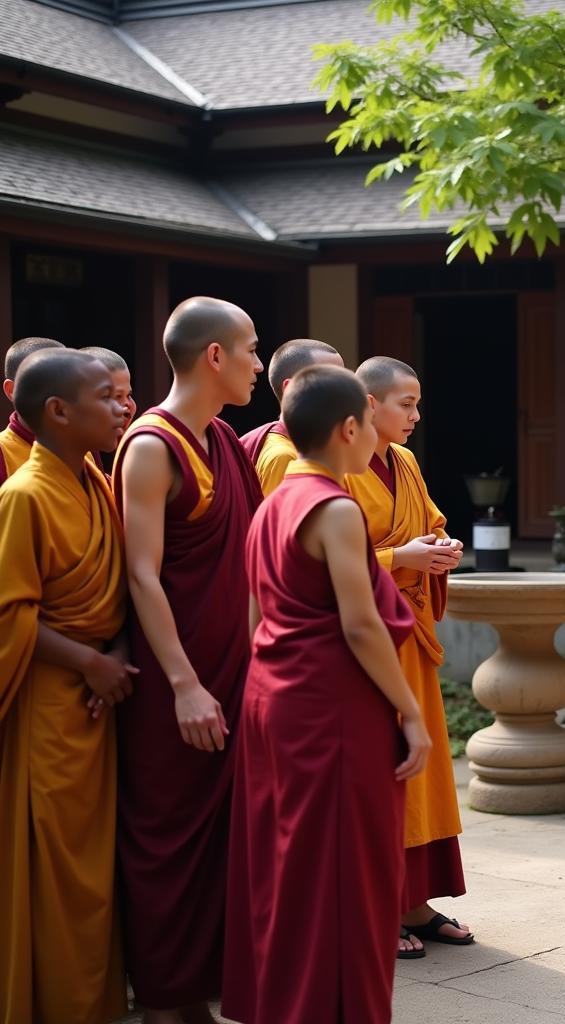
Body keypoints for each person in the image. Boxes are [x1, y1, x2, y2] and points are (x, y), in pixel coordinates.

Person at [222, 364, 431, 1024]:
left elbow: (256, 616)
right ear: (350, 428)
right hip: (333, 709)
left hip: (272, 701)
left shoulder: (274, 500)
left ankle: (282, 1004)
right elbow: (362, 622)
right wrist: (411, 710)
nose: (379, 434)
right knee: (345, 874)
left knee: (289, 868)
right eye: (371, 421)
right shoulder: (335, 506)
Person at [113, 297, 264, 1024]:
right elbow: (142, 573)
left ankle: (197, 994)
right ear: (215, 357)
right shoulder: (152, 445)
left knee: (223, 845)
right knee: (167, 840)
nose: (258, 365)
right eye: (251, 350)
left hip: (234, 671)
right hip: (180, 681)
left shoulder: (228, 443)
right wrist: (182, 685)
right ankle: (164, 1002)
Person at [0, 349, 135, 1023]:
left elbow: (119, 588)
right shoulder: (23, 495)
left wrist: (114, 651)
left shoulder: (97, 479)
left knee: (96, 874)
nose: (120, 408)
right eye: (105, 398)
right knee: (55, 873)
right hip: (51, 706)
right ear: (58, 411)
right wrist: (89, 663)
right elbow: (8, 613)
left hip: (98, 702)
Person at [347, 356, 471, 958]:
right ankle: (377, 905)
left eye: (417, 404)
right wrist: (401, 560)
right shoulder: (334, 468)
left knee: (421, 773)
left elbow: (425, 519)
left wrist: (439, 547)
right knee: (382, 768)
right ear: (368, 404)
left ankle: (414, 902)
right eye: (406, 404)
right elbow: (321, 558)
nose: (417, 416)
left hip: (410, 631)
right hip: (366, 638)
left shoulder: (406, 462)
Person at [239, 338, 344, 495]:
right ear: (291, 389)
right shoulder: (284, 457)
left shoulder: (312, 449)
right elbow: (280, 519)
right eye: (330, 381)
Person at [0, 336, 64, 485]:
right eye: (48, 384)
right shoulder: (4, 452)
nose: (63, 394)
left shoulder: (82, 446)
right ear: (12, 390)